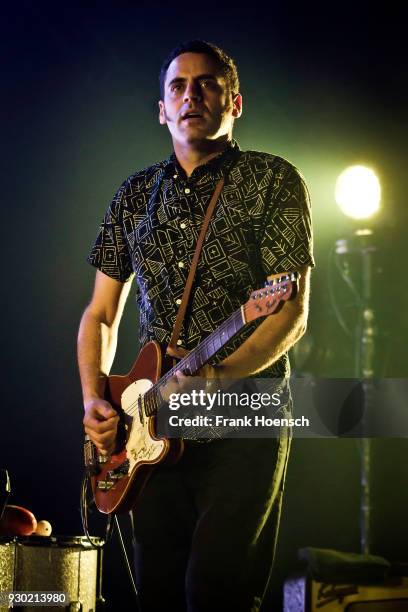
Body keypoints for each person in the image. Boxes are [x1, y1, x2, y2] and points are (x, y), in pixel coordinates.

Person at [78, 40, 314, 612]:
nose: (191, 95)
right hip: (152, 416)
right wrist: (95, 402)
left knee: (220, 589)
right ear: (161, 108)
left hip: (244, 407)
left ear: (235, 101)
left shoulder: (272, 179)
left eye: (206, 83)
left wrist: (222, 374)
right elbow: (100, 314)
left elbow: (290, 311)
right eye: (178, 87)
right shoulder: (135, 195)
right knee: (158, 588)